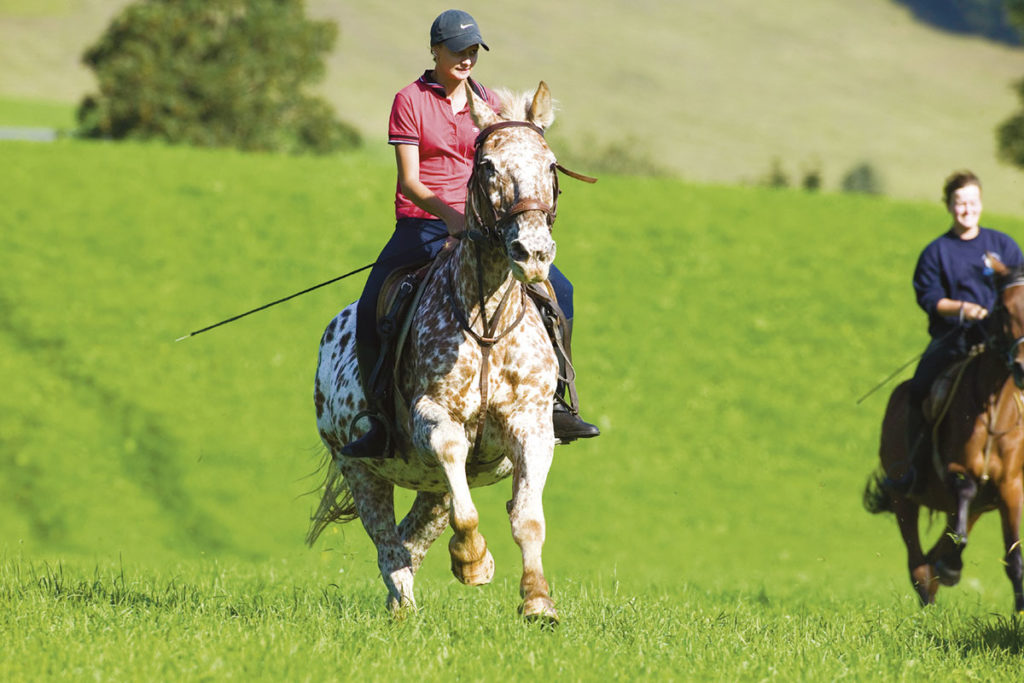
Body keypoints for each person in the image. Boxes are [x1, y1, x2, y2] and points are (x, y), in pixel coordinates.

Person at [342, 9, 600, 458]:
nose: (466, 59)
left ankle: (557, 402)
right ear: (435, 51)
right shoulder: (410, 100)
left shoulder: (487, 101)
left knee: (561, 289)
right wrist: (450, 217)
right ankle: (379, 421)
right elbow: (410, 182)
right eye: (458, 50)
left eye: (473, 51)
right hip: (422, 221)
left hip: (484, 225)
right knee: (372, 302)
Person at [886, 170, 1024, 494]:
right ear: (949, 206)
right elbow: (930, 298)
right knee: (919, 389)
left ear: (980, 203)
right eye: (960, 202)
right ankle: (913, 466)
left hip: (1001, 342)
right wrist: (962, 308)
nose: (967, 209)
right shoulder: (936, 252)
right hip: (954, 339)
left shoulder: (1002, 245)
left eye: (972, 202)